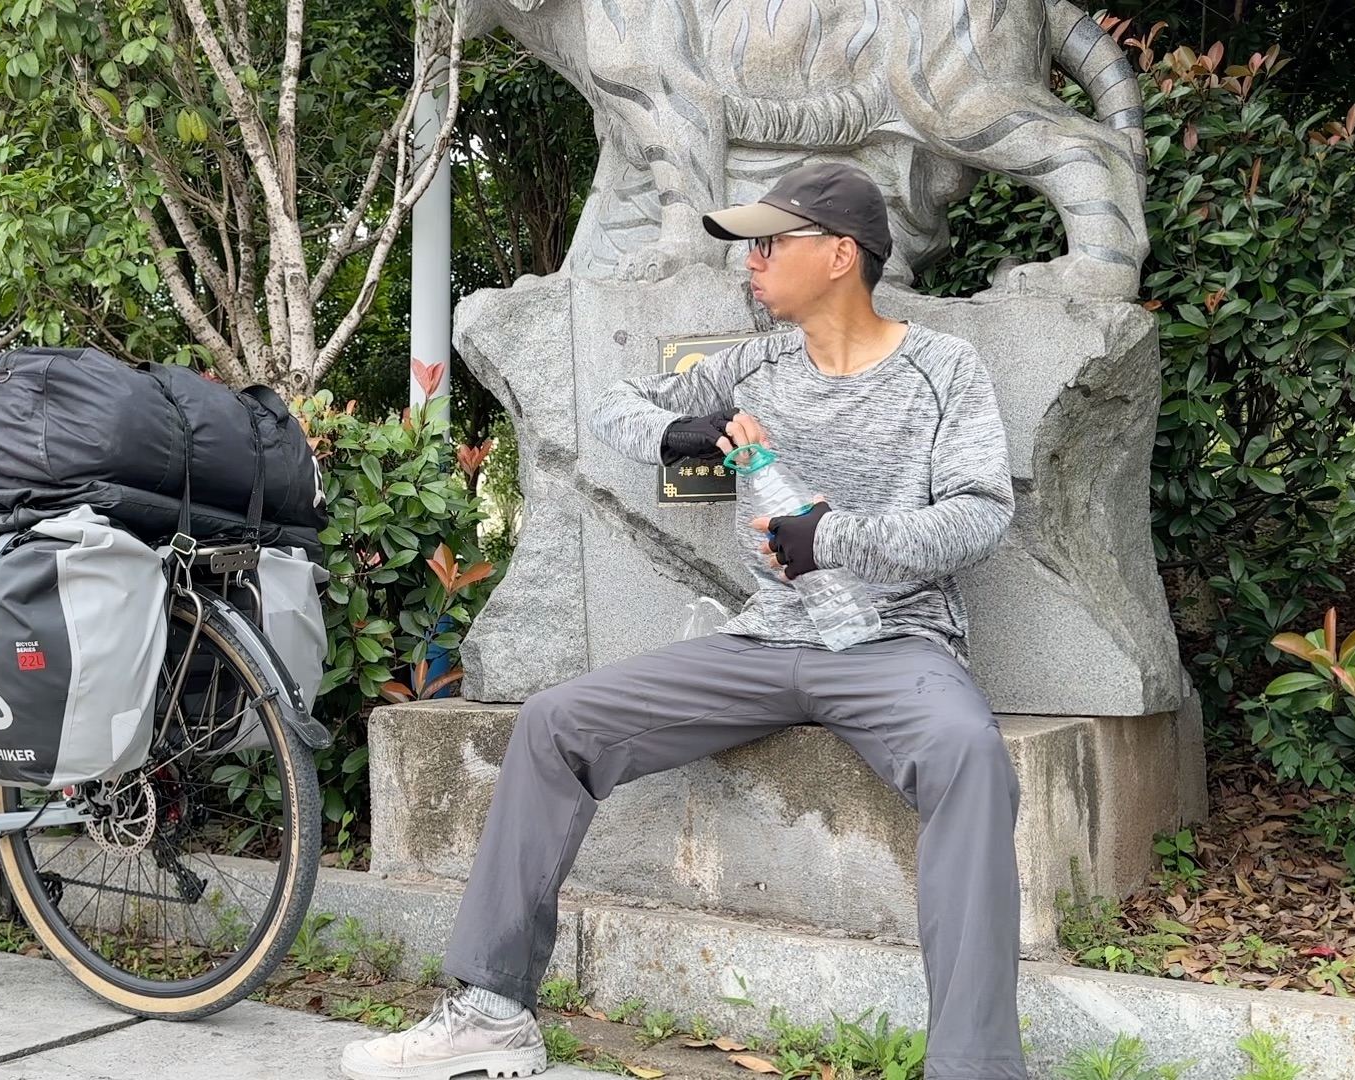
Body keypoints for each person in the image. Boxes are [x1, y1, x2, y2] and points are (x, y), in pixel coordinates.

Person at [341, 161, 1025, 1080]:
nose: (749, 261)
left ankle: (974, 1068)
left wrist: (835, 537)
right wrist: (679, 434)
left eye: (768, 243)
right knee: (555, 724)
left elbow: (979, 516)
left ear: (838, 255)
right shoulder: (757, 364)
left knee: (969, 756)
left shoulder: (941, 369)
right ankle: (493, 1011)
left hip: (894, 647)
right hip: (763, 641)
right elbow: (614, 403)